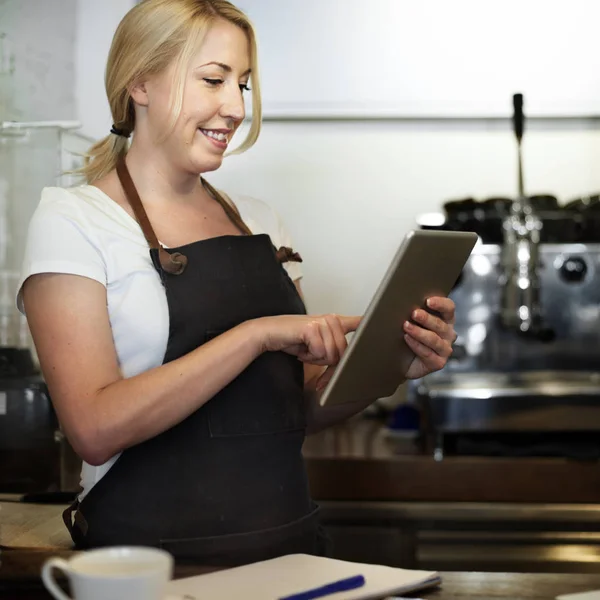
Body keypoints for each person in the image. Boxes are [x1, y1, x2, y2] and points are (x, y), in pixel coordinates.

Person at [18, 0, 457, 566]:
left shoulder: (260, 222)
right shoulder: (75, 220)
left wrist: (390, 365)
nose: (234, 107)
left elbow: (296, 408)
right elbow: (95, 428)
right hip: (149, 566)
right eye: (213, 80)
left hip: (286, 552)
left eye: (243, 85)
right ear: (140, 83)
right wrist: (255, 335)